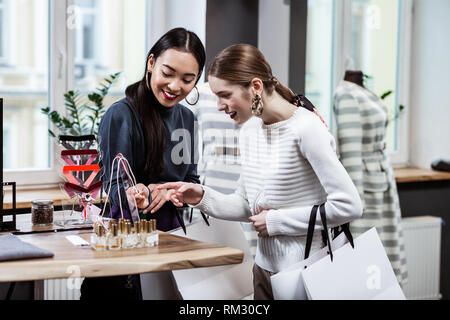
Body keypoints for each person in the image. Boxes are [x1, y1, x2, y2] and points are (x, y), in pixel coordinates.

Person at [152, 44, 363, 299]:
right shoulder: (250, 130)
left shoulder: (306, 129)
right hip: (263, 270)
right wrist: (199, 197)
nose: (219, 106)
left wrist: (276, 222)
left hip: (306, 271)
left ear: (255, 87)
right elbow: (246, 204)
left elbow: (349, 206)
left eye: (225, 95)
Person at [80, 27, 206, 300]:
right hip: (124, 243)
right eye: (167, 73)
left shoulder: (188, 120)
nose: (175, 86)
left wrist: (171, 191)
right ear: (151, 64)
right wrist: (139, 194)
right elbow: (114, 188)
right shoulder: (120, 114)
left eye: (187, 79)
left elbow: (192, 181)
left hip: (171, 239)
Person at [333, 71, 408, 285]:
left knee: (384, 254)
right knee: (368, 258)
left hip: (380, 180)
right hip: (366, 187)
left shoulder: (358, 90)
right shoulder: (346, 94)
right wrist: (355, 203)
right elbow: (350, 151)